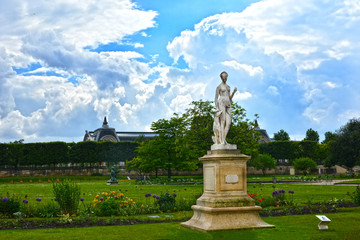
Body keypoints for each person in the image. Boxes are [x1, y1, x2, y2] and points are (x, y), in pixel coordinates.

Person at [214, 71, 237, 144]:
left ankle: (223, 138)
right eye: (223, 76)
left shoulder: (228, 87)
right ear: (221, 77)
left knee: (229, 123)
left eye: (225, 76)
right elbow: (216, 98)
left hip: (228, 104)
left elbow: (230, 98)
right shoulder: (219, 86)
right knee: (222, 122)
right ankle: (222, 141)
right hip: (221, 103)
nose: (224, 78)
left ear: (227, 77)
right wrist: (217, 108)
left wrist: (233, 92)